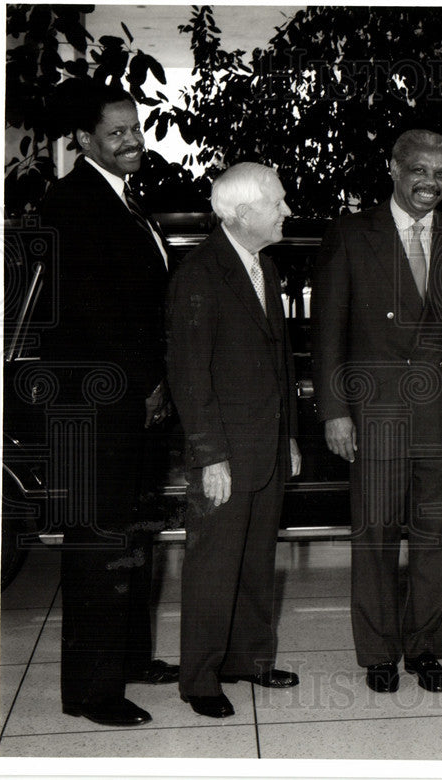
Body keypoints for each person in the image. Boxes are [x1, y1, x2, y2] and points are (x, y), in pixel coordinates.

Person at [311, 130, 442, 694]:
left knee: (438, 539)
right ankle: (379, 653)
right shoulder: (351, 234)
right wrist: (335, 410)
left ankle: (426, 650)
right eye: (419, 170)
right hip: (373, 416)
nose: (431, 182)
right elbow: (328, 330)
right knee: (376, 536)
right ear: (392, 167)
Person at [37, 81, 178, 728]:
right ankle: (92, 691)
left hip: (131, 404)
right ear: (84, 140)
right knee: (96, 545)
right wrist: (148, 381)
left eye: (135, 128)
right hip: (94, 407)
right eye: (117, 133)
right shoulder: (71, 203)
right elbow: (95, 317)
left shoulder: (122, 200)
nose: (132, 142)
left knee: (131, 534)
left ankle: (130, 657)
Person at [166, 162, 302, 719]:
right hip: (223, 450)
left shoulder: (263, 267)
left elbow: (280, 362)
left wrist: (289, 436)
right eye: (279, 203)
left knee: (254, 559)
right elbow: (189, 375)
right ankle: (199, 679)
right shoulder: (199, 275)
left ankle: (248, 661)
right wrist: (210, 455)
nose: (286, 212)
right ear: (243, 213)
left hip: (266, 445)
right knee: (213, 567)